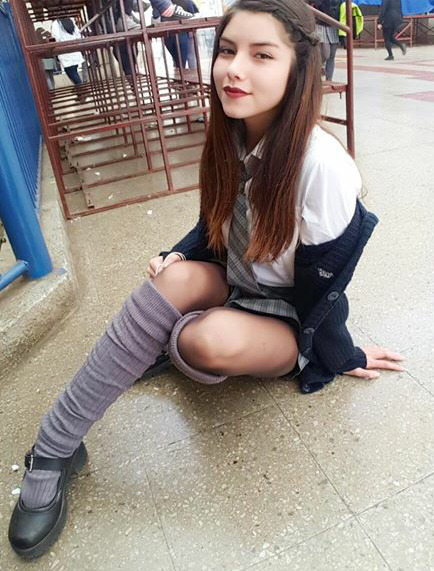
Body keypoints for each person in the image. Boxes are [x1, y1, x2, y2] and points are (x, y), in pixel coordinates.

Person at [8, 0, 404, 559]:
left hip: (288, 315)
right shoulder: (232, 133)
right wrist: (177, 254)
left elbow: (325, 289)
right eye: (227, 50)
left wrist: (344, 355)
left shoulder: (324, 168)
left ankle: (154, 339)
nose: (234, 69)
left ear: (299, 68)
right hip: (236, 277)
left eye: (261, 55)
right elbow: (215, 222)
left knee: (199, 340)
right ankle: (54, 447)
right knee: (171, 283)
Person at [312, 0, 340, 81]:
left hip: (334, 24)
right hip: (321, 23)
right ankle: (318, 70)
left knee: (332, 55)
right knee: (325, 54)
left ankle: (329, 79)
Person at [51, 19, 85, 86]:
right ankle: (80, 88)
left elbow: (56, 38)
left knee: (71, 73)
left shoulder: (56, 23)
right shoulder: (70, 21)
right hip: (74, 51)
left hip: (65, 52)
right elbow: (78, 35)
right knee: (74, 72)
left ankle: (81, 88)